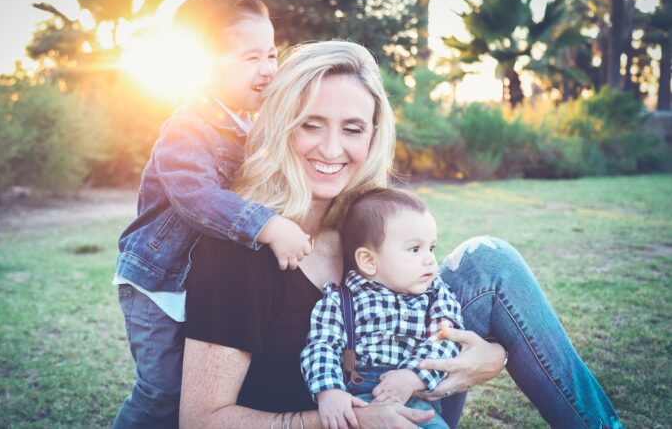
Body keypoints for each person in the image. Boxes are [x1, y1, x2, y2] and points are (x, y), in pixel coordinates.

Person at [181, 40, 623, 429]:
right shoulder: (236, 249)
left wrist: (491, 358)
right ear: (279, 125)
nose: (332, 149)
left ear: (373, 136)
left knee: (489, 261)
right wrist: (347, 420)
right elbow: (202, 421)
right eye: (310, 124)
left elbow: (433, 315)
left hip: (407, 403)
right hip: (329, 420)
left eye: (352, 128)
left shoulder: (368, 219)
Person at [112, 0, 312, 429]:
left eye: (271, 54)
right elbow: (197, 198)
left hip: (198, 283)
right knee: (162, 393)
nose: (268, 68)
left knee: (203, 388)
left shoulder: (249, 124)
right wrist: (268, 225)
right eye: (250, 58)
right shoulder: (187, 128)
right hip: (158, 285)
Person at [301, 187, 463, 429]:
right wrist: (330, 391)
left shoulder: (436, 293)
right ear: (368, 260)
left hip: (415, 398)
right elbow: (321, 346)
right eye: (414, 249)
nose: (429, 259)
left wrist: (413, 376)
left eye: (432, 248)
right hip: (358, 400)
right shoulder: (341, 299)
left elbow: (447, 338)